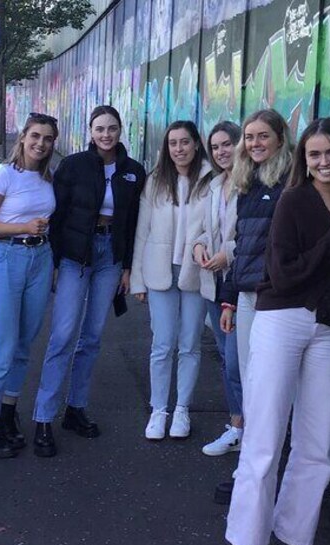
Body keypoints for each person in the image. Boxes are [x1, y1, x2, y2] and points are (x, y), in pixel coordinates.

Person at [226, 118, 330, 545]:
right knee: (264, 435)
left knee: (316, 442)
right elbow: (283, 275)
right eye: (314, 154)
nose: (324, 162)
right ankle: (245, 542)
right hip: (282, 318)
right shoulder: (294, 200)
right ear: (303, 158)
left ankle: (297, 536)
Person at [31, 105, 145, 457]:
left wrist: (128, 267)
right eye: (99, 128)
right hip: (74, 256)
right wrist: (52, 260)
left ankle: (75, 409)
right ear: (90, 131)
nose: (106, 135)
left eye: (112, 128)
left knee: (92, 337)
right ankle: (44, 417)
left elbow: (134, 223)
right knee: (63, 334)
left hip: (110, 256)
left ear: (121, 130)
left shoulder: (133, 171)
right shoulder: (74, 165)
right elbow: (58, 213)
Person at [0, 112, 59, 459]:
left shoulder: (47, 177)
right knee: (2, 347)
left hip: (40, 260)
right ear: (22, 137)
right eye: (35, 136)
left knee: (24, 344)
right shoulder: (2, 175)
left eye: (48, 138)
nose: (40, 143)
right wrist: (21, 227)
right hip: (6, 260)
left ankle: (8, 414)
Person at [216, 108, 293, 504]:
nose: (255, 144)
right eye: (249, 137)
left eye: (263, 136)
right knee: (248, 383)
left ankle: (269, 473)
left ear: (280, 138)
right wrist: (229, 298)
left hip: (277, 300)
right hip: (246, 296)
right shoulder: (246, 183)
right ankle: (250, 468)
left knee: (270, 388)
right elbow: (241, 247)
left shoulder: (293, 182)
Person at [131, 120, 212, 441]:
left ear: (195, 144)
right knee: (162, 344)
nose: (178, 149)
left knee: (190, 344)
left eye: (184, 142)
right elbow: (142, 231)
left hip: (195, 271)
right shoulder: (155, 181)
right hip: (159, 271)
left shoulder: (211, 180)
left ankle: (182, 410)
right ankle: (159, 409)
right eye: (172, 143)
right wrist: (137, 279)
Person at [191, 121, 244, 457]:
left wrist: (229, 254)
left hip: (241, 283)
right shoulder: (214, 184)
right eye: (216, 147)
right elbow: (203, 229)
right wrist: (199, 247)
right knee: (226, 357)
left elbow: (258, 235)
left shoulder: (252, 184)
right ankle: (236, 423)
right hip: (214, 282)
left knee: (240, 361)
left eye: (227, 144)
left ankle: (248, 429)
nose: (222, 152)